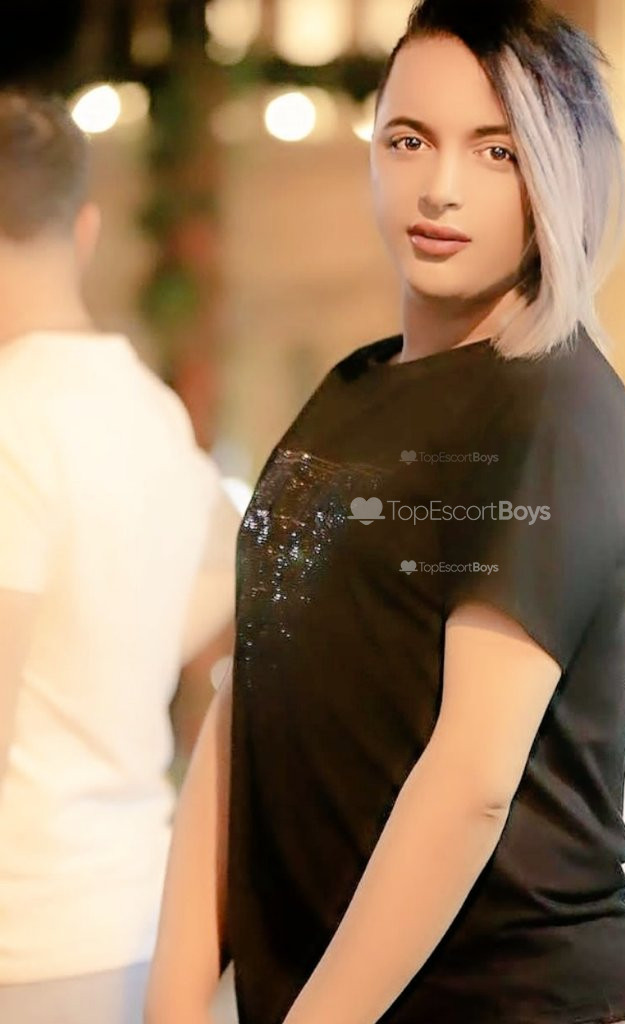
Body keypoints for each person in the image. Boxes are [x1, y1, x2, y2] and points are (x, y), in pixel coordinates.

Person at [147, 2, 625, 1022]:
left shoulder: (554, 407)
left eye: (495, 151)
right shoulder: (348, 394)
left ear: (558, 176)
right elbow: (248, 696)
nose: (439, 186)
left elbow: (471, 780)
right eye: (407, 139)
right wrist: (171, 1001)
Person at [0, 89, 240, 1024]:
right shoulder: (153, 411)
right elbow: (226, 576)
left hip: (21, 934)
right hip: (138, 921)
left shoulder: (10, 419)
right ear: (85, 229)